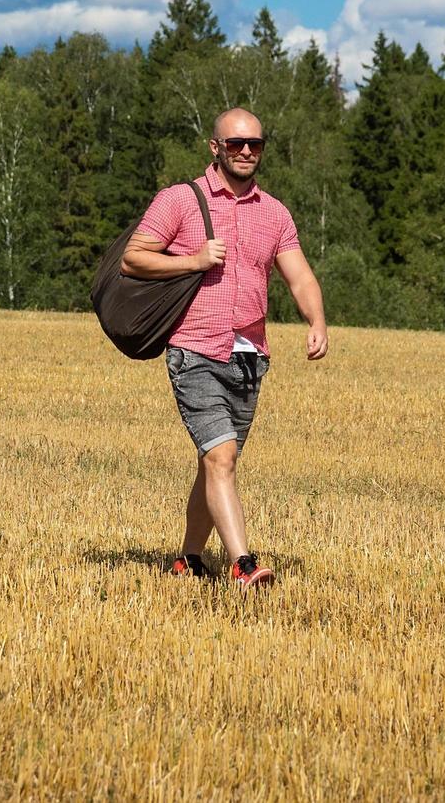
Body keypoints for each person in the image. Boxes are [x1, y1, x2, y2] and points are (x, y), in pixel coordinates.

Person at [122, 107, 328, 588]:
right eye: (236, 144)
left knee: (215, 460)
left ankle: (189, 558)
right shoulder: (180, 201)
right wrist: (192, 260)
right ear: (215, 147)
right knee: (222, 458)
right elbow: (134, 258)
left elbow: (298, 275)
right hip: (194, 348)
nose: (246, 152)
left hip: (250, 356)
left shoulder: (274, 212)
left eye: (255, 144)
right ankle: (243, 563)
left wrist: (316, 321)